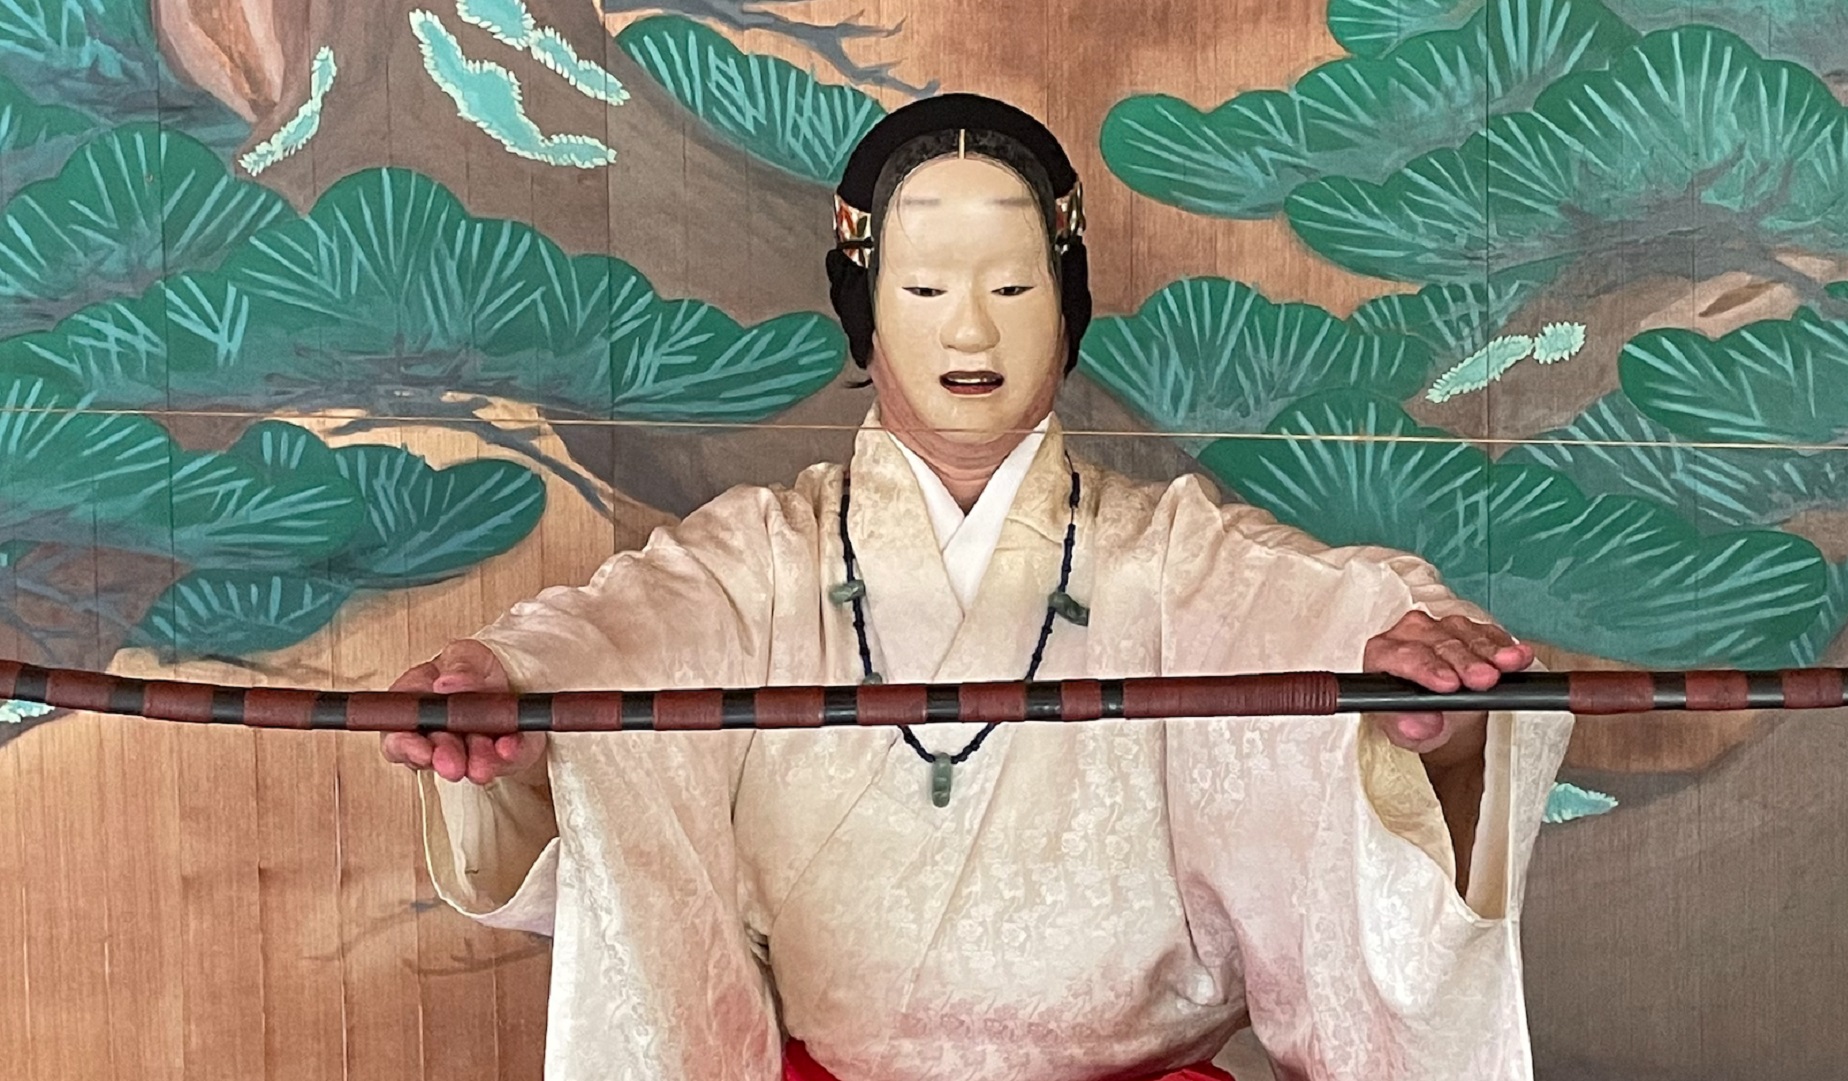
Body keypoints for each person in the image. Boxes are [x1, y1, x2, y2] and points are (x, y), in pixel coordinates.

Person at [382, 95, 1572, 1081]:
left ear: (1067, 307)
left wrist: (1422, 694)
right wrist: (511, 692)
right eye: (924, 291)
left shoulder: (1173, 558)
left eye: (1010, 290)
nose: (971, 332)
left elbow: (1332, 611)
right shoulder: (760, 561)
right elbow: (609, 643)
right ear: (862, 314)